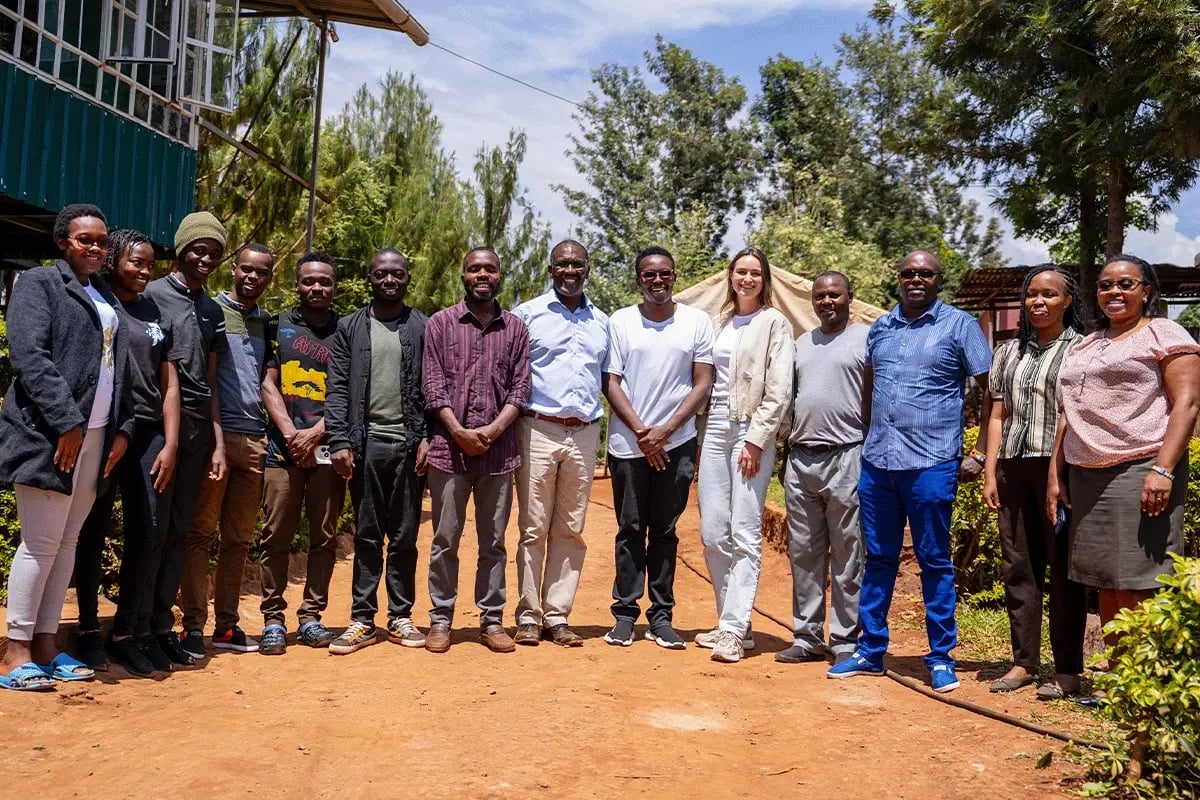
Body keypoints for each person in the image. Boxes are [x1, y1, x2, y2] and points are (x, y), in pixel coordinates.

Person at [827, 250, 991, 693]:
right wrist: (867, 437)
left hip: (932, 463)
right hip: (879, 463)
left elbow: (989, 391)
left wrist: (980, 451)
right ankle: (870, 650)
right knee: (877, 558)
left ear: (939, 280)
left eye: (925, 273)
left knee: (933, 559)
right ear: (898, 279)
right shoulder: (881, 327)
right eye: (908, 273)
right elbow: (869, 388)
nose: (916, 279)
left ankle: (941, 657)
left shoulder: (960, 325)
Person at [1048, 255, 1200, 696]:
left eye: (1125, 284)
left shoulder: (1164, 333)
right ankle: (1119, 680)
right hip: (1087, 475)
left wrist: (1162, 470)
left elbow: (1187, 404)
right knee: (1106, 583)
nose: (1114, 292)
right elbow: (1067, 413)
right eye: (1105, 285)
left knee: (1140, 581)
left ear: (1146, 290)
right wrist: (1057, 475)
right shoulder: (1088, 343)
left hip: (1140, 467)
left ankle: (1145, 684)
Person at [0, 204, 132, 690]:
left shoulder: (104, 294)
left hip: (96, 435)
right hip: (48, 434)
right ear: (62, 242)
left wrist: (121, 429)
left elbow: (117, 370)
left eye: (101, 240)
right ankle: (14, 652)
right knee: (40, 542)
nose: (96, 248)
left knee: (69, 542)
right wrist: (68, 424)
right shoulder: (39, 285)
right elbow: (29, 357)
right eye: (85, 240)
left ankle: (48, 644)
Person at [73, 229, 182, 677]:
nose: (144, 270)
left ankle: (127, 632)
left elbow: (169, 380)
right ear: (115, 259)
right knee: (92, 528)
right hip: (107, 428)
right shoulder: (99, 303)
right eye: (136, 262)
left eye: (149, 264)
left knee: (150, 530)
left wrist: (171, 441)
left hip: (149, 433)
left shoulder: (155, 312)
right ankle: (84, 629)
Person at [981, 265, 1088, 698]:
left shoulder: (1081, 350)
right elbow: (997, 414)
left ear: (1067, 301)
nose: (1038, 302)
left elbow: (1071, 414)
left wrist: (1055, 475)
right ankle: (1024, 661)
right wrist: (991, 470)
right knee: (1019, 567)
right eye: (1032, 295)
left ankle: (1066, 670)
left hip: (1059, 469)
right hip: (1013, 466)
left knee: (1063, 569)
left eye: (1049, 295)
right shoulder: (1008, 352)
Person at [602, 246, 715, 649]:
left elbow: (703, 381)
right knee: (630, 528)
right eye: (649, 275)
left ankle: (662, 616)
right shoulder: (621, 322)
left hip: (678, 443)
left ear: (674, 276)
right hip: (628, 445)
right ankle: (624, 616)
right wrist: (642, 433)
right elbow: (610, 381)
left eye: (664, 274)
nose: (657, 281)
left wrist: (665, 432)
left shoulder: (697, 322)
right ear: (639, 279)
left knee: (665, 531)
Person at [422, 247, 531, 654]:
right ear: (463, 275)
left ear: (500, 276)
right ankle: (440, 619)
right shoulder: (440, 325)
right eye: (474, 269)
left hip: (499, 454)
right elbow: (432, 385)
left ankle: (491, 620)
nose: (481, 275)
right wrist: (458, 430)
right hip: (448, 453)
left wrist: (493, 429)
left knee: (494, 541)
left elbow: (521, 389)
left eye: (489, 269)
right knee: (445, 539)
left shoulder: (516, 329)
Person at [324, 249, 430, 656]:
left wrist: (428, 438)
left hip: (409, 444)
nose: (390, 280)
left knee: (404, 535)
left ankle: (401, 616)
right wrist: (339, 441)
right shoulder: (350, 327)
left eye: (397, 273)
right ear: (369, 277)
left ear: (407, 278)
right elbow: (336, 388)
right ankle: (362, 620)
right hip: (364, 444)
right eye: (381, 273)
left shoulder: (423, 326)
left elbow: (434, 387)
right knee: (367, 534)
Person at [695, 247, 793, 663]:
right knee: (713, 532)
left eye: (755, 273)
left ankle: (734, 630)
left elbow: (780, 387)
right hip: (713, 426)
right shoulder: (718, 322)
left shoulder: (775, 323)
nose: (747, 279)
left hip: (749, 427)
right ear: (730, 275)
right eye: (741, 272)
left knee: (745, 531)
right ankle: (732, 623)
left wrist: (756, 439)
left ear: (764, 279)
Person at [178, 243, 275, 659]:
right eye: (246, 269)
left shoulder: (267, 324)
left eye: (262, 272)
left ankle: (227, 627)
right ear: (233, 269)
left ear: (269, 278)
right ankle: (193, 627)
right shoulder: (211, 312)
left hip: (255, 441)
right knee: (200, 534)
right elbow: (206, 378)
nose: (252, 277)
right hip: (216, 439)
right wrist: (214, 440)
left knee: (238, 539)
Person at [141, 211, 230, 667]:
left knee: (180, 530)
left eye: (214, 252)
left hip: (198, 429)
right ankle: (133, 629)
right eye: (199, 249)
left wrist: (216, 441)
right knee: (153, 528)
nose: (206, 258)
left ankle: (161, 626)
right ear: (181, 249)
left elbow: (211, 384)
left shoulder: (212, 310)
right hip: (160, 428)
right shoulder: (153, 295)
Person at [511, 240, 609, 647]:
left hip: (584, 432)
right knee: (533, 526)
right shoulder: (527, 316)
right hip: (537, 428)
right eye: (562, 264)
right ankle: (528, 615)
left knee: (570, 528)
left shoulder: (603, 322)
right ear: (551, 270)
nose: (570, 271)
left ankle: (557, 615)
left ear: (587, 270)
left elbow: (608, 380)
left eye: (578, 265)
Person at [777, 271, 869, 666]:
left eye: (834, 294)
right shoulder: (801, 343)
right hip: (801, 459)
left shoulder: (867, 339)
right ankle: (807, 635)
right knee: (804, 552)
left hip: (848, 455)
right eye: (820, 296)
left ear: (850, 297)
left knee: (849, 552)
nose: (827, 301)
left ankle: (846, 639)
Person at [258, 253, 345, 655]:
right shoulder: (278, 326)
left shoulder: (348, 330)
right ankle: (272, 619)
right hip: (282, 450)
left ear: (335, 286)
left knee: (324, 536)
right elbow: (267, 383)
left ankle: (311, 617)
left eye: (324, 282)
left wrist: (317, 433)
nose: (317, 288)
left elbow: (354, 393)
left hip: (330, 451)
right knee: (275, 535)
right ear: (297, 284)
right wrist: (293, 434)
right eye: (309, 281)